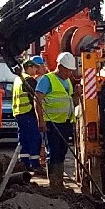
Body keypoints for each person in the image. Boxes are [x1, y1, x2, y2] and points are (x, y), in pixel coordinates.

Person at [35, 52, 78, 189]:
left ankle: (59, 182)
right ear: (59, 66)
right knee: (53, 152)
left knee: (62, 151)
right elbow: (38, 100)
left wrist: (77, 94)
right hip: (51, 124)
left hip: (65, 122)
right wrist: (41, 121)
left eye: (70, 70)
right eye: (66, 70)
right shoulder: (47, 79)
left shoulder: (68, 82)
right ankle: (55, 183)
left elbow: (70, 100)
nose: (68, 73)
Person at [13, 59, 45, 176]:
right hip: (28, 113)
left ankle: (24, 163)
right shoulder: (28, 80)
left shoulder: (18, 79)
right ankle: (35, 164)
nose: (36, 70)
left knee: (24, 139)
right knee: (35, 138)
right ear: (29, 68)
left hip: (19, 113)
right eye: (34, 68)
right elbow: (36, 99)